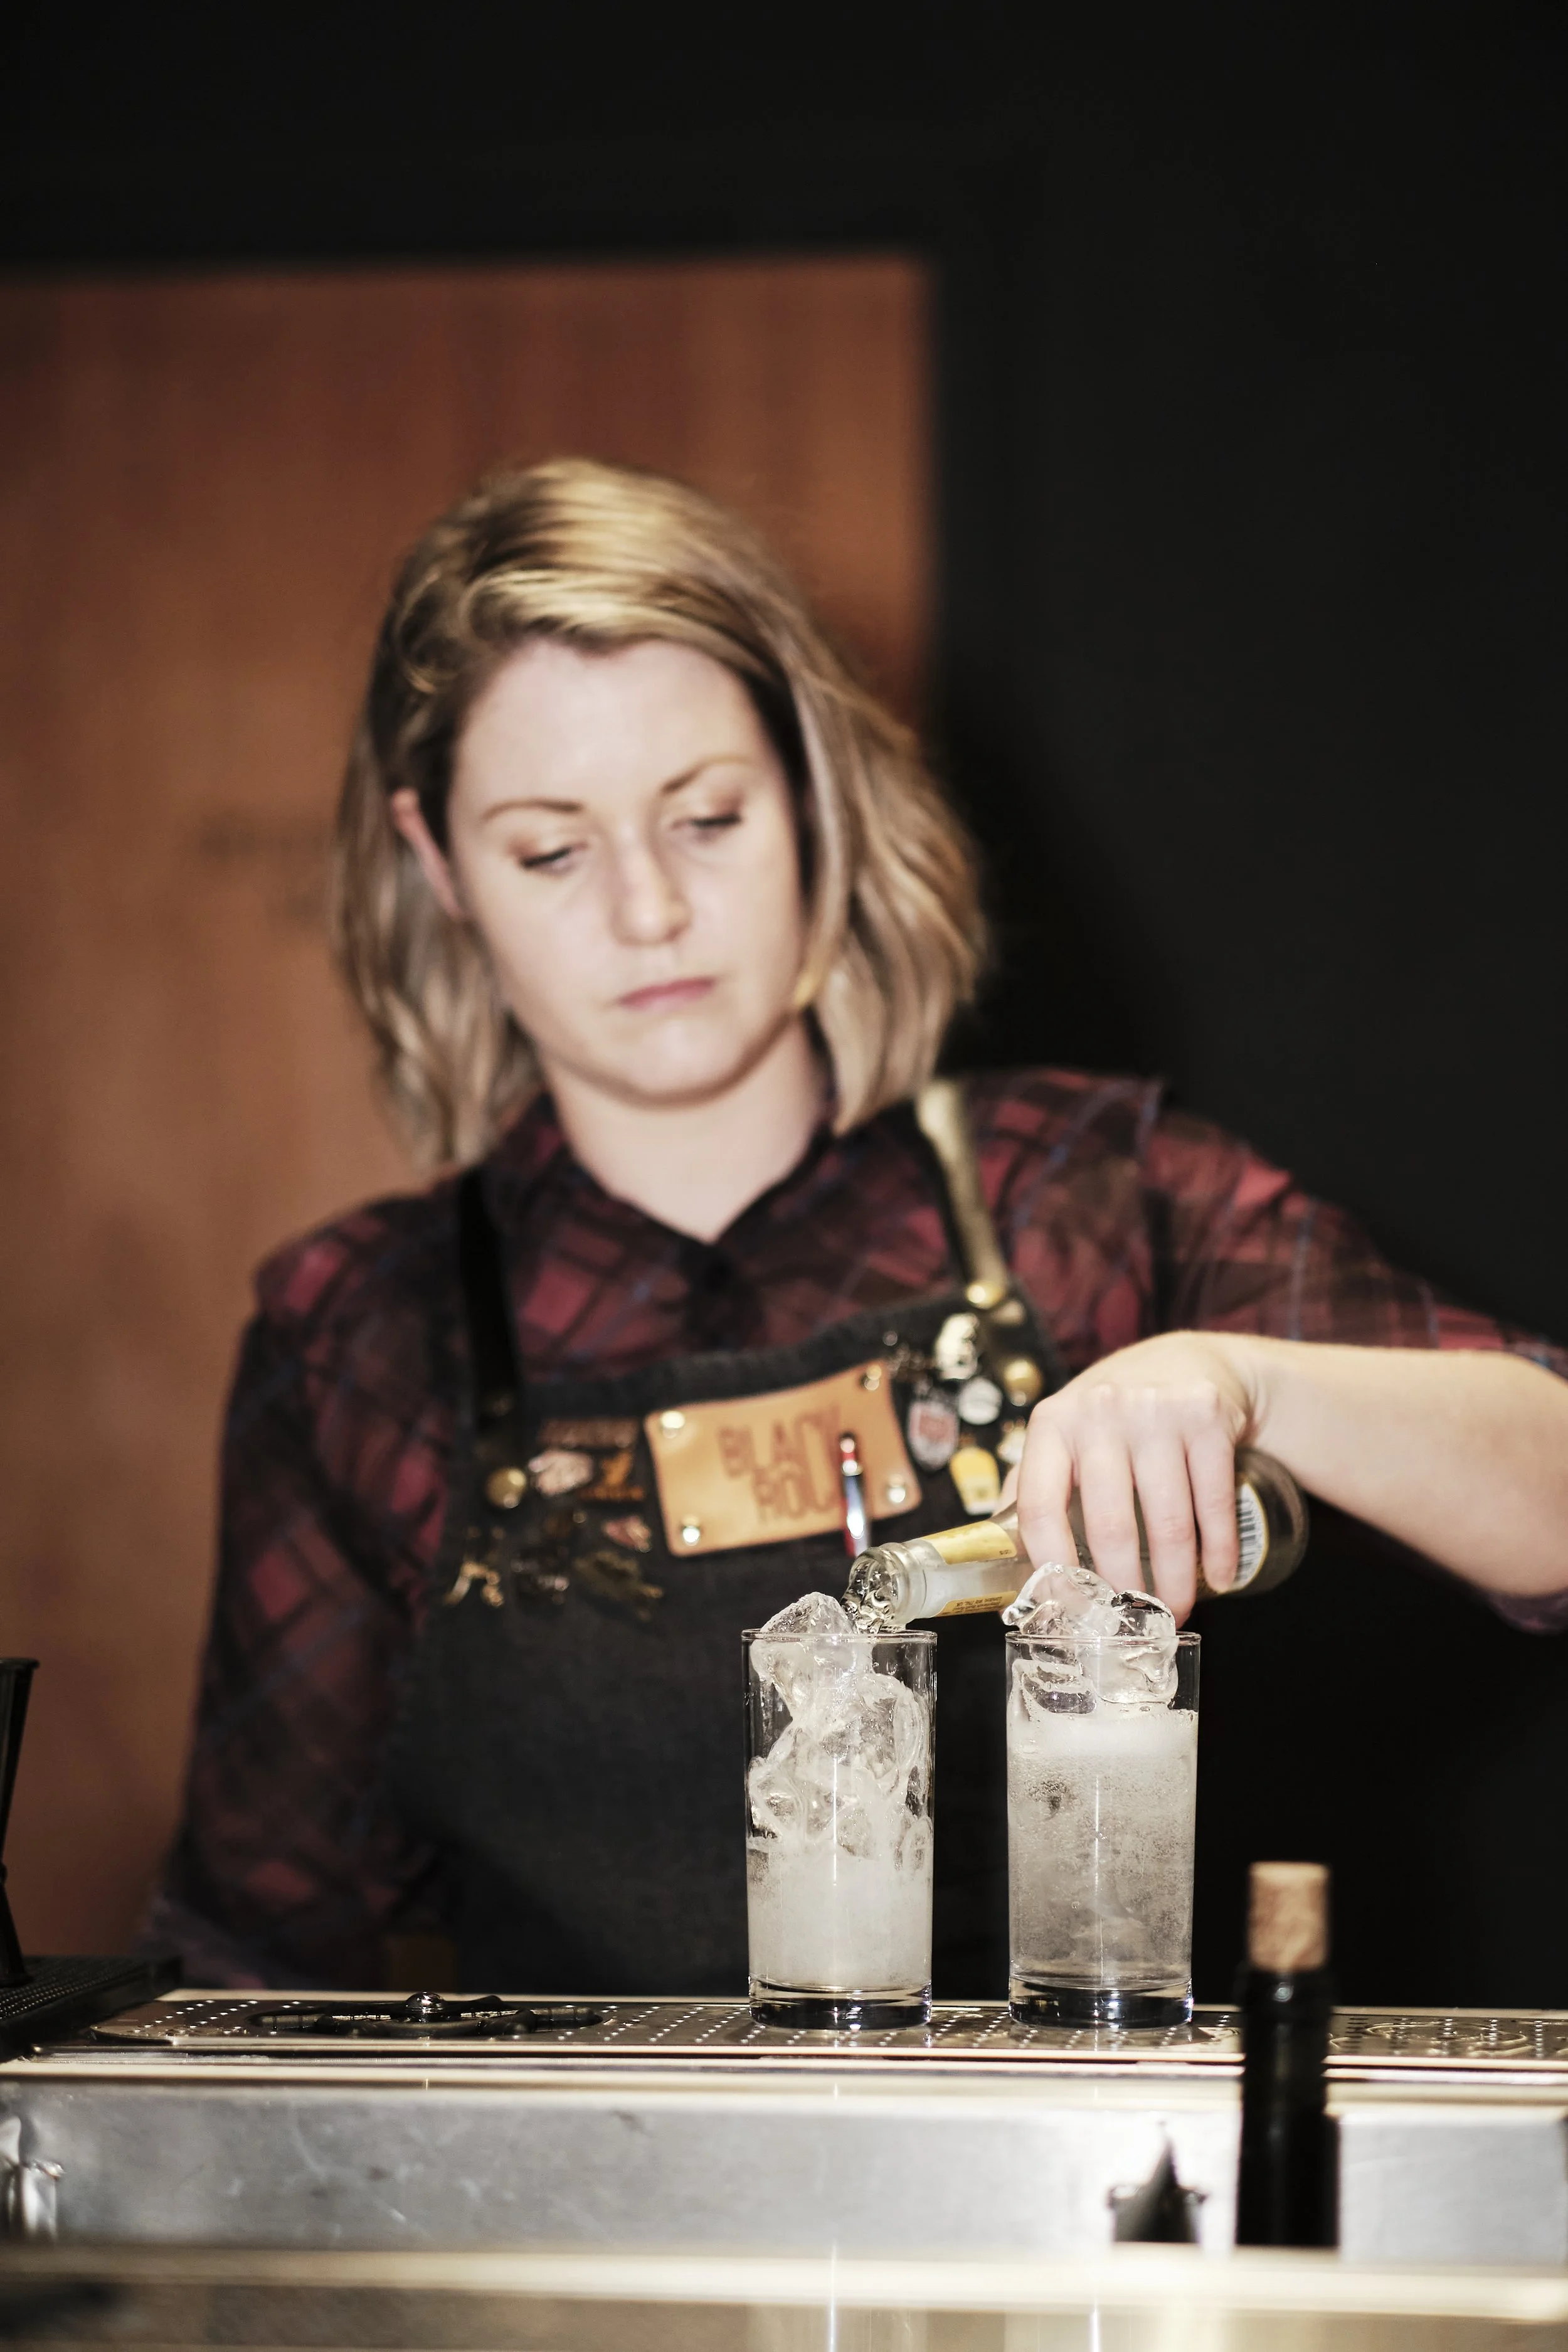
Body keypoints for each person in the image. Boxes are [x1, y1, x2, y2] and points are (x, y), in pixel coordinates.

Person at [151, 458, 1568, 2001]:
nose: (646, 912)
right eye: (551, 849)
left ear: (814, 793)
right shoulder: (359, 1334)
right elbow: (256, 1956)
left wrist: (1246, 1382)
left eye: (705, 817)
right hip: (575, 2217)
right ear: (440, 867)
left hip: (1080, 2205)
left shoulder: (1087, 1193)